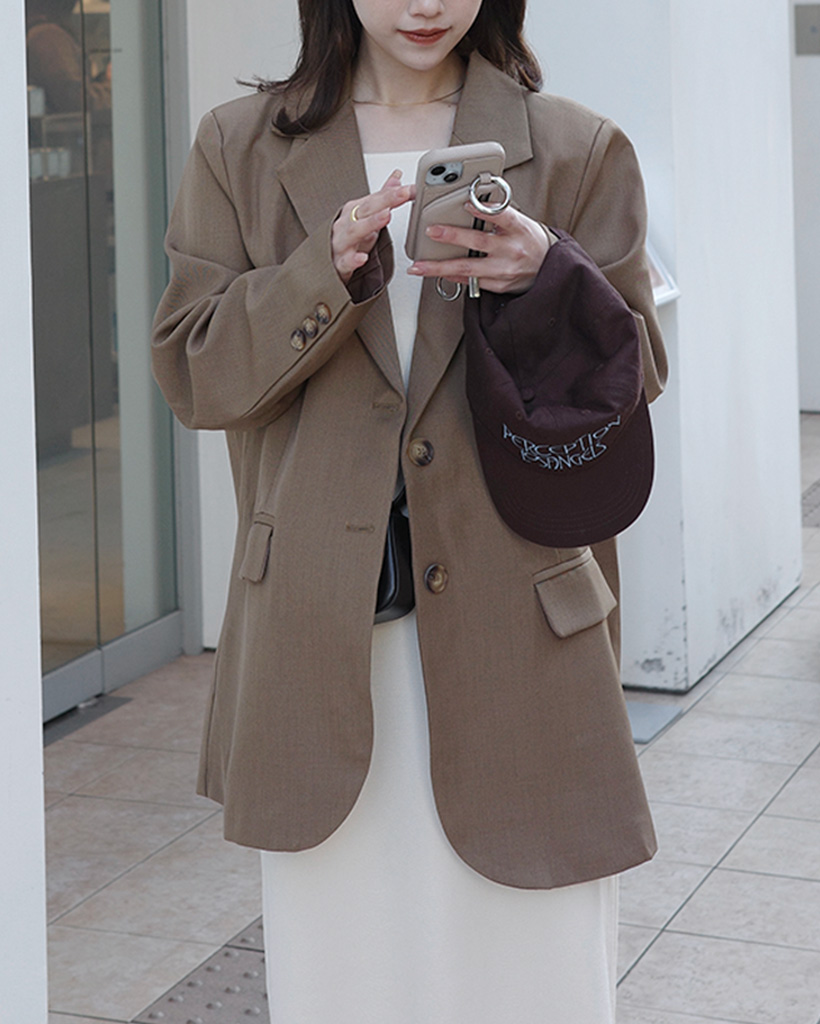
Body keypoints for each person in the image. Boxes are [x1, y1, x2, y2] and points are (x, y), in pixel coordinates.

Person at [152, 1, 668, 1021]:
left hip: (522, 626)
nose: (425, 4)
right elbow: (194, 373)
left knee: (532, 975)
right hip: (319, 629)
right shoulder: (239, 146)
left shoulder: (577, 146)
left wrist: (548, 276)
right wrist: (322, 274)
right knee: (346, 974)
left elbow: (639, 370)